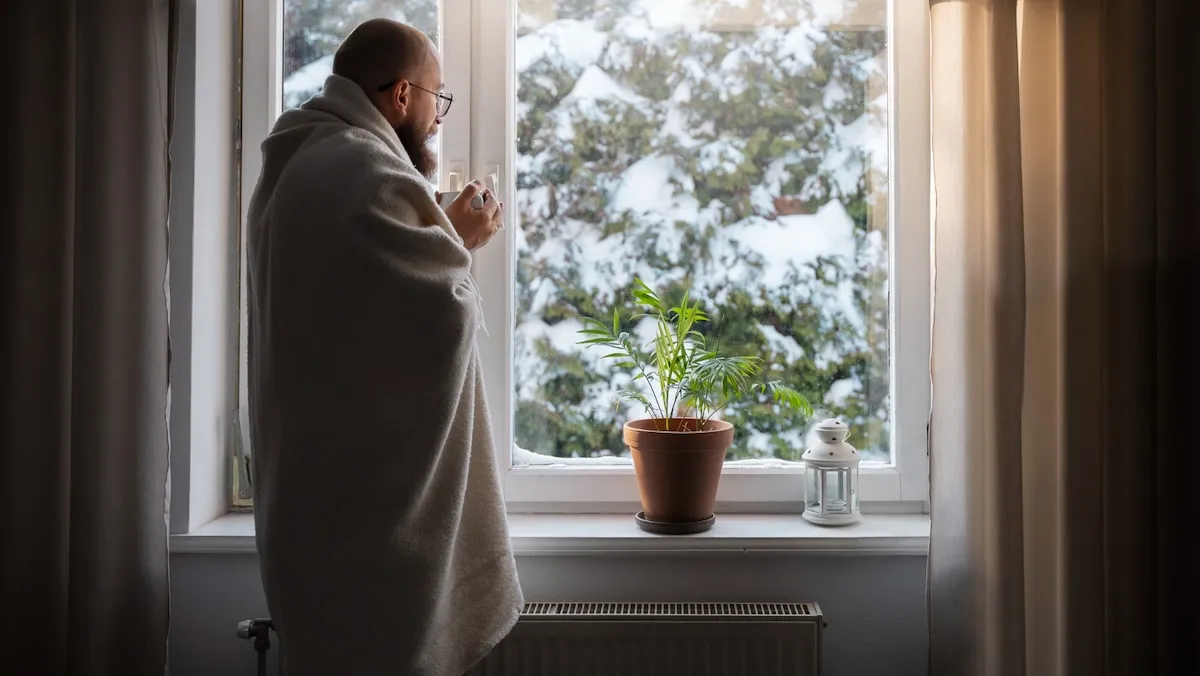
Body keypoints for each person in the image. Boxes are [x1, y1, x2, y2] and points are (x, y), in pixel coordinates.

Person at [245, 18, 523, 676]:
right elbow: (428, 322)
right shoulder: (365, 174)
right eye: (438, 98)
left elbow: (351, 319)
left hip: (310, 497)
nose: (437, 119)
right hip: (366, 525)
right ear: (402, 96)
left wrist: (435, 234)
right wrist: (457, 241)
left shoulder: (303, 158)